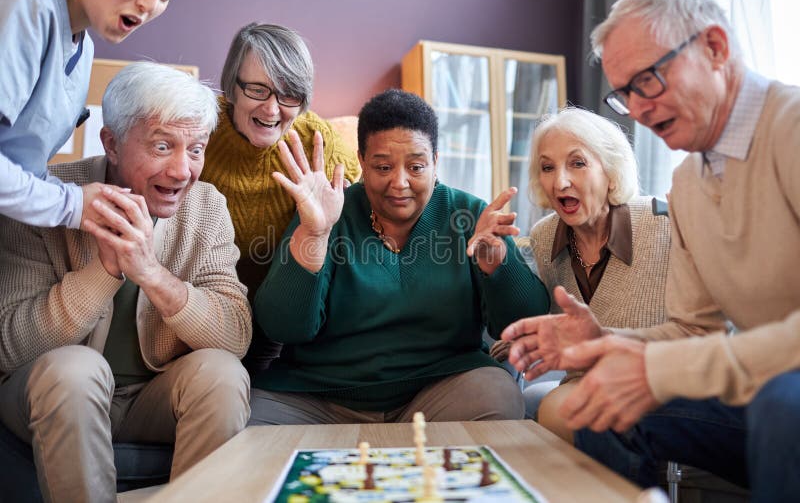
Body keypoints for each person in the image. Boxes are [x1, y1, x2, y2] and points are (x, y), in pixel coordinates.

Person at [501, 0, 800, 502]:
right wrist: (606, 345)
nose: (638, 109)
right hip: (759, 388)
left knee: (783, 402)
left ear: (715, 48)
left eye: (648, 80)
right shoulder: (687, 185)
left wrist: (654, 365)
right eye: (625, 94)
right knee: (600, 401)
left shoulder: (790, 130)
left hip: (783, 394)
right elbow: (690, 329)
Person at [0, 62, 252, 502]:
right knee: (76, 370)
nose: (181, 171)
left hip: (151, 399)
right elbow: (11, 346)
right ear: (112, 144)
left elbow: (234, 335)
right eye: (162, 145)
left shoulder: (207, 206)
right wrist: (107, 270)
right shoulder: (47, 197)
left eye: (195, 149)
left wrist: (151, 273)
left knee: (222, 373)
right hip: (51, 392)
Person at [248, 89, 550, 424]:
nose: (400, 182)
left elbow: (526, 323)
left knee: (498, 393)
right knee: (250, 421)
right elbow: (282, 326)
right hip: (319, 398)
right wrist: (314, 235)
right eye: (383, 166)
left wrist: (497, 263)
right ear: (361, 161)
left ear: (436, 161)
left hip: (438, 394)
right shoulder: (328, 210)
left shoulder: (468, 214)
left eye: (416, 166)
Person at [200, 22, 360, 371]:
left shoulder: (316, 140)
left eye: (289, 95)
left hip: (281, 323)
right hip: (204, 312)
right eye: (258, 89)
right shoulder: (199, 126)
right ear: (232, 87)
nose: (272, 110)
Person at [519, 107, 670, 442]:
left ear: (611, 172)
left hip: (659, 377)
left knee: (564, 410)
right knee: (548, 405)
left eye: (578, 163)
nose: (560, 182)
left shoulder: (663, 224)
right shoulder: (544, 236)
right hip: (585, 383)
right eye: (547, 168)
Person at [0, 0, 187, 229]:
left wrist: (97, 205)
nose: (151, 4)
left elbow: (22, 166)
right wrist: (72, 205)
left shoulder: (83, 49)